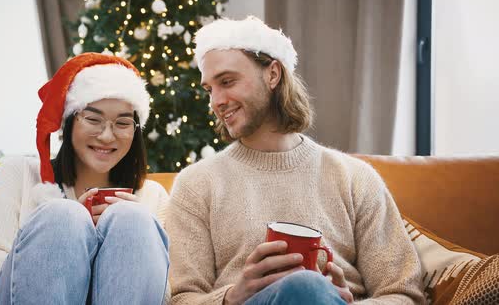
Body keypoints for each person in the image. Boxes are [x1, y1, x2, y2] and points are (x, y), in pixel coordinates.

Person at [166, 16, 425, 304]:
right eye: (209, 90)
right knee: (302, 285)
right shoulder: (196, 185)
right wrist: (233, 296)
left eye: (227, 82)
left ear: (273, 74)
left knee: (306, 287)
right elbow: (180, 299)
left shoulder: (354, 178)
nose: (216, 101)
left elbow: (404, 294)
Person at [0, 53, 170, 305]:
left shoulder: (153, 196)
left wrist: (126, 247)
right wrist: (67, 243)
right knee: (65, 217)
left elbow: (166, 294)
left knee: (133, 219)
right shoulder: (21, 173)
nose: (106, 136)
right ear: (69, 122)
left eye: (122, 123)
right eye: (93, 119)